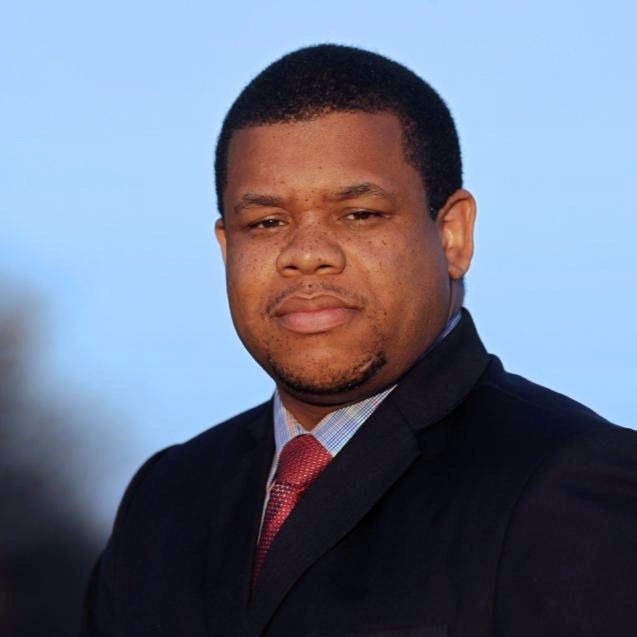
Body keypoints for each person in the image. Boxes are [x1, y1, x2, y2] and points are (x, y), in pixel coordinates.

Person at [80, 44, 637, 637]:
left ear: (452, 235)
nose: (306, 255)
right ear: (226, 248)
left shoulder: (568, 482)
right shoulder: (166, 500)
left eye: (359, 214)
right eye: (266, 223)